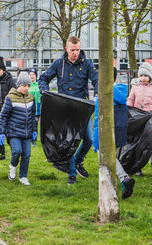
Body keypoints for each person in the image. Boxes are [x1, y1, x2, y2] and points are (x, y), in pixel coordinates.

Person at [38, 36, 98, 185]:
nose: (75, 53)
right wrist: (44, 91)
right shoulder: (59, 64)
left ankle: (78, 161)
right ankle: (71, 174)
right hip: (64, 109)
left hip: (82, 109)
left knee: (89, 139)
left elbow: (96, 79)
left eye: (77, 50)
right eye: (72, 50)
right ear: (67, 49)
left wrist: (96, 95)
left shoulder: (87, 64)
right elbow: (43, 79)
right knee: (68, 142)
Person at [93, 67, 135, 199]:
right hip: (120, 132)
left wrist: (95, 141)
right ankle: (118, 186)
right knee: (114, 160)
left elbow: (98, 120)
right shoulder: (122, 94)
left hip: (106, 133)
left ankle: (124, 179)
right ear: (115, 78)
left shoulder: (103, 96)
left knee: (106, 161)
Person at [0, 73, 37, 186]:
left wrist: (34, 130)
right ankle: (13, 167)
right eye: (24, 85)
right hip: (14, 131)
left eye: (28, 86)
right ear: (19, 84)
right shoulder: (10, 98)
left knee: (27, 154)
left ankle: (23, 176)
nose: (26, 88)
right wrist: (1, 132)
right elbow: (3, 116)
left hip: (27, 132)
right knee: (17, 151)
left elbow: (33, 114)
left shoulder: (31, 98)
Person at [127, 62, 152, 178]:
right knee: (138, 143)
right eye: (141, 75)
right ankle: (138, 167)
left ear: (150, 76)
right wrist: (128, 111)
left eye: (145, 76)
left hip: (150, 118)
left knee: (151, 144)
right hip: (138, 119)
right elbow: (130, 100)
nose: (143, 78)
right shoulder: (135, 87)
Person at [28, 68, 41, 147]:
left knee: (35, 125)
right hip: (28, 108)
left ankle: (34, 140)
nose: (32, 76)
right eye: (30, 75)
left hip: (37, 108)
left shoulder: (39, 84)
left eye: (33, 75)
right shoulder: (27, 85)